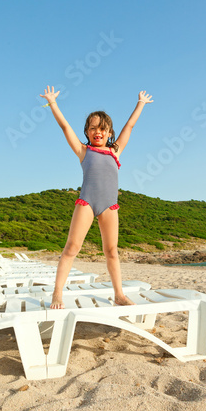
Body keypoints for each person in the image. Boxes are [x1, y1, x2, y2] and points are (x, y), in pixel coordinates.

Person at [39, 86, 153, 309]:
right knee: (71, 247)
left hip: (110, 206)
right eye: (92, 128)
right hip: (87, 203)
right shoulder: (84, 151)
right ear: (87, 132)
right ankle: (57, 294)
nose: (98, 132)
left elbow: (130, 126)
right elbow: (64, 127)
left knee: (112, 251)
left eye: (102, 128)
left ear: (110, 132)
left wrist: (140, 103)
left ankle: (119, 295)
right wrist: (52, 102)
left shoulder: (115, 151)